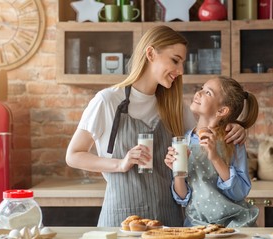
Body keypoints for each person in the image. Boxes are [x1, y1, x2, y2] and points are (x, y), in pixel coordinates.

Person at [65, 25, 246, 227]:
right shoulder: (108, 101)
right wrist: (120, 164)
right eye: (175, 60)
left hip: (167, 222)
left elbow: (204, 139)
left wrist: (234, 127)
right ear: (150, 53)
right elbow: (74, 155)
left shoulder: (176, 108)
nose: (180, 70)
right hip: (121, 221)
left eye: (182, 63)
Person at [164, 76, 259, 227]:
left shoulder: (232, 140)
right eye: (201, 88)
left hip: (233, 225)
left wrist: (215, 157)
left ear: (222, 110)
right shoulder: (184, 141)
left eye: (208, 93)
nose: (199, 93)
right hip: (197, 225)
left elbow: (240, 192)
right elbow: (182, 198)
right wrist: (177, 172)